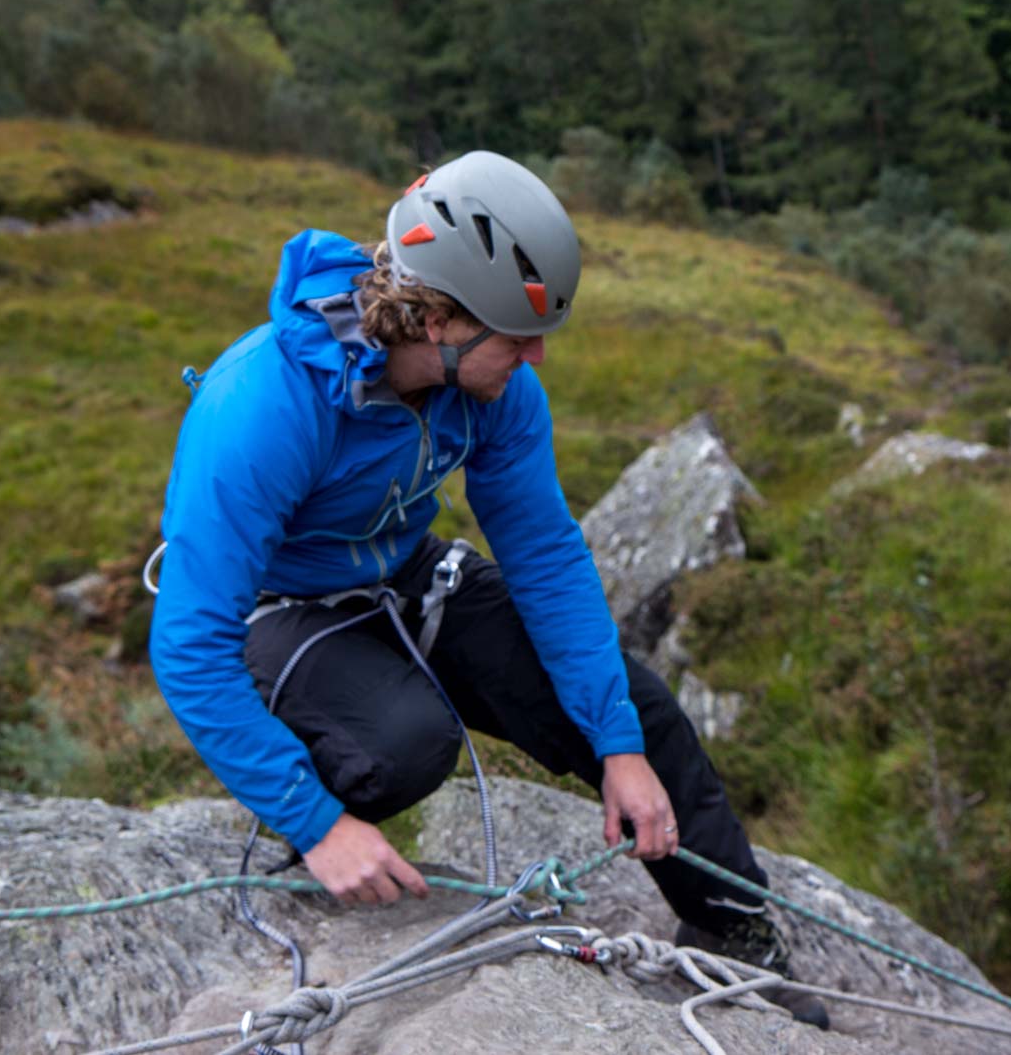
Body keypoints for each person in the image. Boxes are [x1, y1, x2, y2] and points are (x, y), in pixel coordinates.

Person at [148, 151, 827, 1029]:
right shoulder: (263, 407)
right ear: (434, 317)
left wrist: (615, 743)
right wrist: (317, 822)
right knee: (402, 745)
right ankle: (312, 809)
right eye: (515, 333)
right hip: (284, 610)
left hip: (403, 575)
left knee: (640, 712)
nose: (535, 355)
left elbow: (544, 553)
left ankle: (736, 931)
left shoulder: (494, 389)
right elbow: (187, 643)